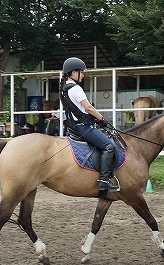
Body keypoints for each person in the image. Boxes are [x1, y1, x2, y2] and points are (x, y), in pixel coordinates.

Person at [60, 57, 119, 191]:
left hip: (75, 126)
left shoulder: (65, 88)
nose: (83, 75)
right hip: (83, 127)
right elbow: (89, 108)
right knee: (109, 146)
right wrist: (102, 119)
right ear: (74, 72)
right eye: (81, 72)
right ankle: (103, 179)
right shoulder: (75, 89)